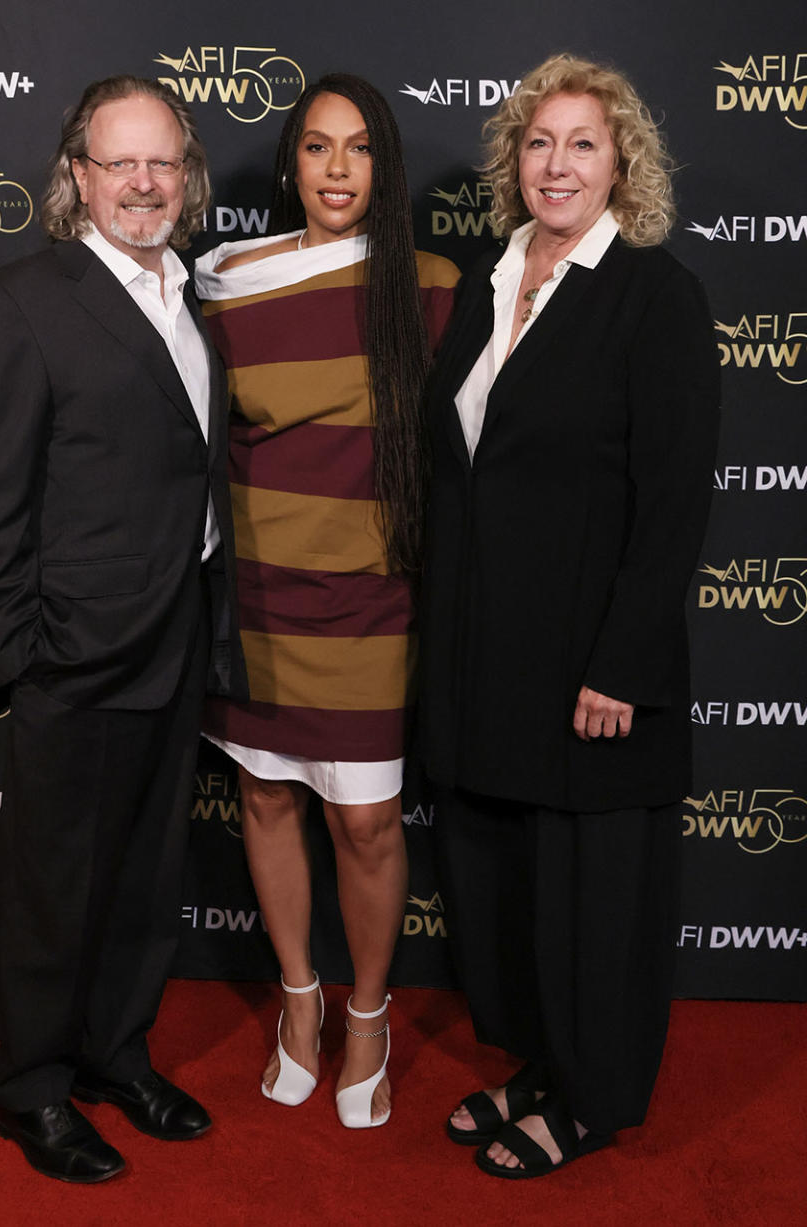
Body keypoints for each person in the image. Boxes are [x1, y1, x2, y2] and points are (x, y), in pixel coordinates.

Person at [419, 53, 719, 1177]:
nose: (557, 164)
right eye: (540, 143)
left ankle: (593, 1099)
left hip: (593, 666)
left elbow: (675, 497)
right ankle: (545, 1066)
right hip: (487, 658)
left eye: (583, 144)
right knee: (513, 891)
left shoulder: (656, 293)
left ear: (621, 163)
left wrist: (625, 665)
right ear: (515, 161)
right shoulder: (494, 279)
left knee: (594, 897)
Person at [0, 75, 247, 1183]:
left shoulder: (191, 298)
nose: (142, 183)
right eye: (119, 163)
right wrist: (21, 658)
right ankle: (30, 1086)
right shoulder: (17, 301)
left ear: (187, 174)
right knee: (53, 888)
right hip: (70, 655)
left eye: (161, 162)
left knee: (142, 877)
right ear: (77, 177)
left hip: (177, 643)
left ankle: (118, 1054)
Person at [195, 73, 458, 1128]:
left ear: (383, 166)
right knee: (264, 798)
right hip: (256, 591)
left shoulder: (433, 286)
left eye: (357, 149)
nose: (337, 170)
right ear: (290, 164)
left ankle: (369, 1016)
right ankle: (299, 1004)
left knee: (365, 820)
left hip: (373, 605)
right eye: (316, 147)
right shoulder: (227, 284)